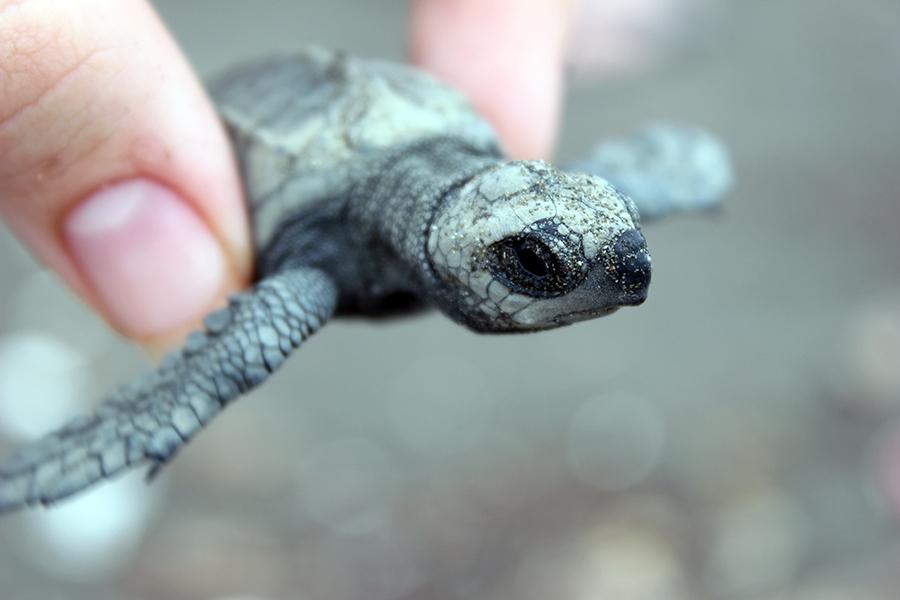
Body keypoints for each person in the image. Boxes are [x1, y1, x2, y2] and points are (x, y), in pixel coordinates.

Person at [0, 0, 657, 350]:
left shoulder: (484, 148)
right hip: (223, 153)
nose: (625, 276)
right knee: (241, 350)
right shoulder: (312, 273)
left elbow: (577, 214)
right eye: (536, 265)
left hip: (389, 125)